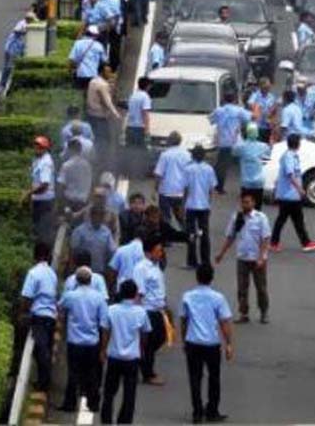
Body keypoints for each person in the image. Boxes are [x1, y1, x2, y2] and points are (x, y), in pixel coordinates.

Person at [179, 264, 234, 423]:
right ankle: (212, 410)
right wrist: (229, 344)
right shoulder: (218, 298)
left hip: (193, 341)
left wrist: (184, 340)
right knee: (214, 377)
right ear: (212, 278)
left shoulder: (187, 296)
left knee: (195, 377)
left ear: (197, 277)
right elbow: (224, 322)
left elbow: (184, 321)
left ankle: (197, 412)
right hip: (211, 342)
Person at [58, 266, 109, 412]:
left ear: (77, 280)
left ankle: (70, 404)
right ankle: (93, 404)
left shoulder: (71, 296)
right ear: (90, 280)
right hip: (92, 342)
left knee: (73, 373)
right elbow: (104, 324)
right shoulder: (99, 298)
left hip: (74, 342)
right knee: (92, 373)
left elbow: (60, 308)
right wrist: (103, 348)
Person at [216, 191, 272, 323]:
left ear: (253, 203)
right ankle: (243, 313)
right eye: (243, 202)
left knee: (261, 288)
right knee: (242, 288)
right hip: (242, 258)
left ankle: (264, 312)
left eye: (248, 202)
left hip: (257, 259)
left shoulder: (261, 218)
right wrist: (221, 253)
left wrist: (262, 257)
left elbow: (266, 238)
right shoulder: (237, 217)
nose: (245, 205)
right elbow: (230, 236)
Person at [101, 280, 151, 424]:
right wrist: (141, 348)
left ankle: (106, 420)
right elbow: (145, 333)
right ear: (135, 294)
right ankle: (124, 421)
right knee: (129, 394)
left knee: (109, 392)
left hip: (114, 356)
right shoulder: (140, 312)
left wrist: (103, 350)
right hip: (132, 358)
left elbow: (105, 332)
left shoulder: (112, 310)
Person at [271, 134, 315, 253]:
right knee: (286, 219)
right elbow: (290, 174)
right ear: (297, 144)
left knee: (293, 219)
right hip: (289, 194)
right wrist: (300, 189)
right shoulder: (289, 157)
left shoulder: (291, 156)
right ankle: (303, 242)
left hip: (291, 194)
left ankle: (305, 242)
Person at [19, 242, 57, 393]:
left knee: (41, 351)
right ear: (48, 255)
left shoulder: (33, 273)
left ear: (35, 255)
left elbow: (27, 297)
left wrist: (22, 313)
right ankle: (44, 381)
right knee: (46, 348)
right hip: (51, 316)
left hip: (39, 316)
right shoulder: (52, 273)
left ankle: (43, 384)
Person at [133, 236, 169, 385]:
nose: (161, 253)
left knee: (161, 338)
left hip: (158, 309)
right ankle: (147, 372)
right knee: (151, 341)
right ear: (149, 252)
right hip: (147, 310)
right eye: (158, 250)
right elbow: (139, 292)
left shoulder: (156, 267)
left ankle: (142, 361)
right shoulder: (141, 268)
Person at [209, 92, 252, 194]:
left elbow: (211, 120)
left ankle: (217, 185)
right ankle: (244, 187)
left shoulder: (219, 110)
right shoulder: (239, 110)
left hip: (222, 141)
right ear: (234, 100)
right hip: (235, 141)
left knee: (221, 165)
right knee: (241, 164)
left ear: (224, 100)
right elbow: (249, 118)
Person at [183, 145, 218, 268]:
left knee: (191, 233)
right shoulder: (209, 169)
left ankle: (191, 261)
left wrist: (183, 204)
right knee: (204, 234)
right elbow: (211, 189)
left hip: (191, 206)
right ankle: (205, 260)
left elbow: (185, 188)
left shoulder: (188, 169)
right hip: (204, 206)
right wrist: (210, 203)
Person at [153, 130, 191, 231]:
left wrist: (155, 189)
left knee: (165, 216)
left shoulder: (165, 155)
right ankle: (187, 233)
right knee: (180, 214)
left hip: (165, 190)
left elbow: (158, 173)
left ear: (169, 141)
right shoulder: (187, 155)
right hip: (180, 190)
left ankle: (166, 237)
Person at [85, 63, 122, 155]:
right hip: (100, 117)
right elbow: (108, 102)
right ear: (102, 72)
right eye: (108, 72)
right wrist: (116, 114)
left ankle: (92, 156)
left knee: (94, 138)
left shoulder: (92, 81)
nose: (110, 74)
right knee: (104, 140)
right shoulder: (103, 84)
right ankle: (100, 160)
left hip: (90, 114)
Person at [26, 136, 56, 246]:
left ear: (45, 148)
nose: (36, 148)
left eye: (39, 147)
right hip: (38, 200)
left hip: (44, 202)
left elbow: (44, 185)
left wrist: (28, 193)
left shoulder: (45, 163)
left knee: (41, 230)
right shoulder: (37, 159)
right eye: (35, 146)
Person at [231, 124, 270, 209]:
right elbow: (268, 157)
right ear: (257, 134)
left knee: (246, 208)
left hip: (246, 183)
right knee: (258, 208)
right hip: (259, 182)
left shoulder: (241, 147)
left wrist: (236, 135)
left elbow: (233, 151)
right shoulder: (263, 146)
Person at [71, 205, 118, 274]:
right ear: (91, 216)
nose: (99, 218)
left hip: (100, 270)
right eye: (96, 215)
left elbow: (112, 250)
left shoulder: (106, 232)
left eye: (101, 216)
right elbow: (74, 249)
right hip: (82, 270)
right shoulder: (80, 231)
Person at [58, 138, 94, 213]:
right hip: (83, 203)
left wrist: (60, 204)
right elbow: (91, 184)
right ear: (80, 150)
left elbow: (61, 186)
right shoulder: (88, 166)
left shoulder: (66, 165)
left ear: (70, 150)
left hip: (69, 203)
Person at [247, 78, 278, 144]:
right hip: (256, 126)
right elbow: (250, 105)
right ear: (261, 86)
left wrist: (273, 110)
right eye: (266, 87)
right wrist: (258, 108)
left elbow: (274, 109)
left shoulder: (271, 97)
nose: (268, 89)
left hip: (267, 126)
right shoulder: (255, 95)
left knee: (266, 145)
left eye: (269, 87)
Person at [0, 19, 28, 88]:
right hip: (10, 51)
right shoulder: (21, 24)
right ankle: (2, 85)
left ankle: (7, 84)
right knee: (8, 67)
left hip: (15, 51)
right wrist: (24, 31)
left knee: (12, 67)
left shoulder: (22, 36)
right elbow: (16, 30)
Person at [125, 77, 152, 147]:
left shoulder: (133, 96)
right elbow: (145, 113)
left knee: (130, 150)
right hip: (139, 128)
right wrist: (147, 130)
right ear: (148, 86)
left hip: (130, 127)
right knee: (139, 151)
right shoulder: (145, 97)